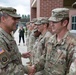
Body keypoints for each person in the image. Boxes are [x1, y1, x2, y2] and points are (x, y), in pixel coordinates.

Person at [27, 8, 76, 75]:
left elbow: (73, 72)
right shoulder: (51, 39)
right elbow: (44, 58)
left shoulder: (72, 43)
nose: (51, 24)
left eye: (55, 22)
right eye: (51, 22)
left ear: (64, 23)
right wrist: (34, 67)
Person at [0, 6, 32, 75]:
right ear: (3, 19)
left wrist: (20, 55)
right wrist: (26, 69)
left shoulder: (8, 35)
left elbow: (8, 56)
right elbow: (4, 69)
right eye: (14, 19)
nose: (16, 21)